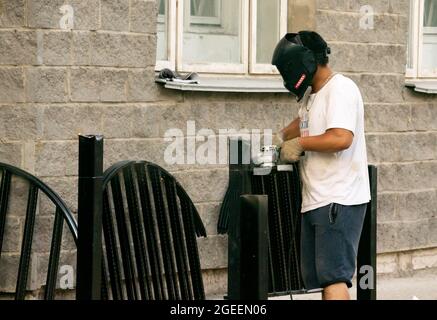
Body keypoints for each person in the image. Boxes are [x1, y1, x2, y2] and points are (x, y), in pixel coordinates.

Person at [271, 31, 371, 300]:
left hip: (338, 199)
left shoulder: (340, 89)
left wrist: (302, 144)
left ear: (302, 62)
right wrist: (281, 137)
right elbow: (303, 121)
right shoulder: (313, 95)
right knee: (321, 281)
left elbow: (341, 137)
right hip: (317, 199)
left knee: (334, 279)